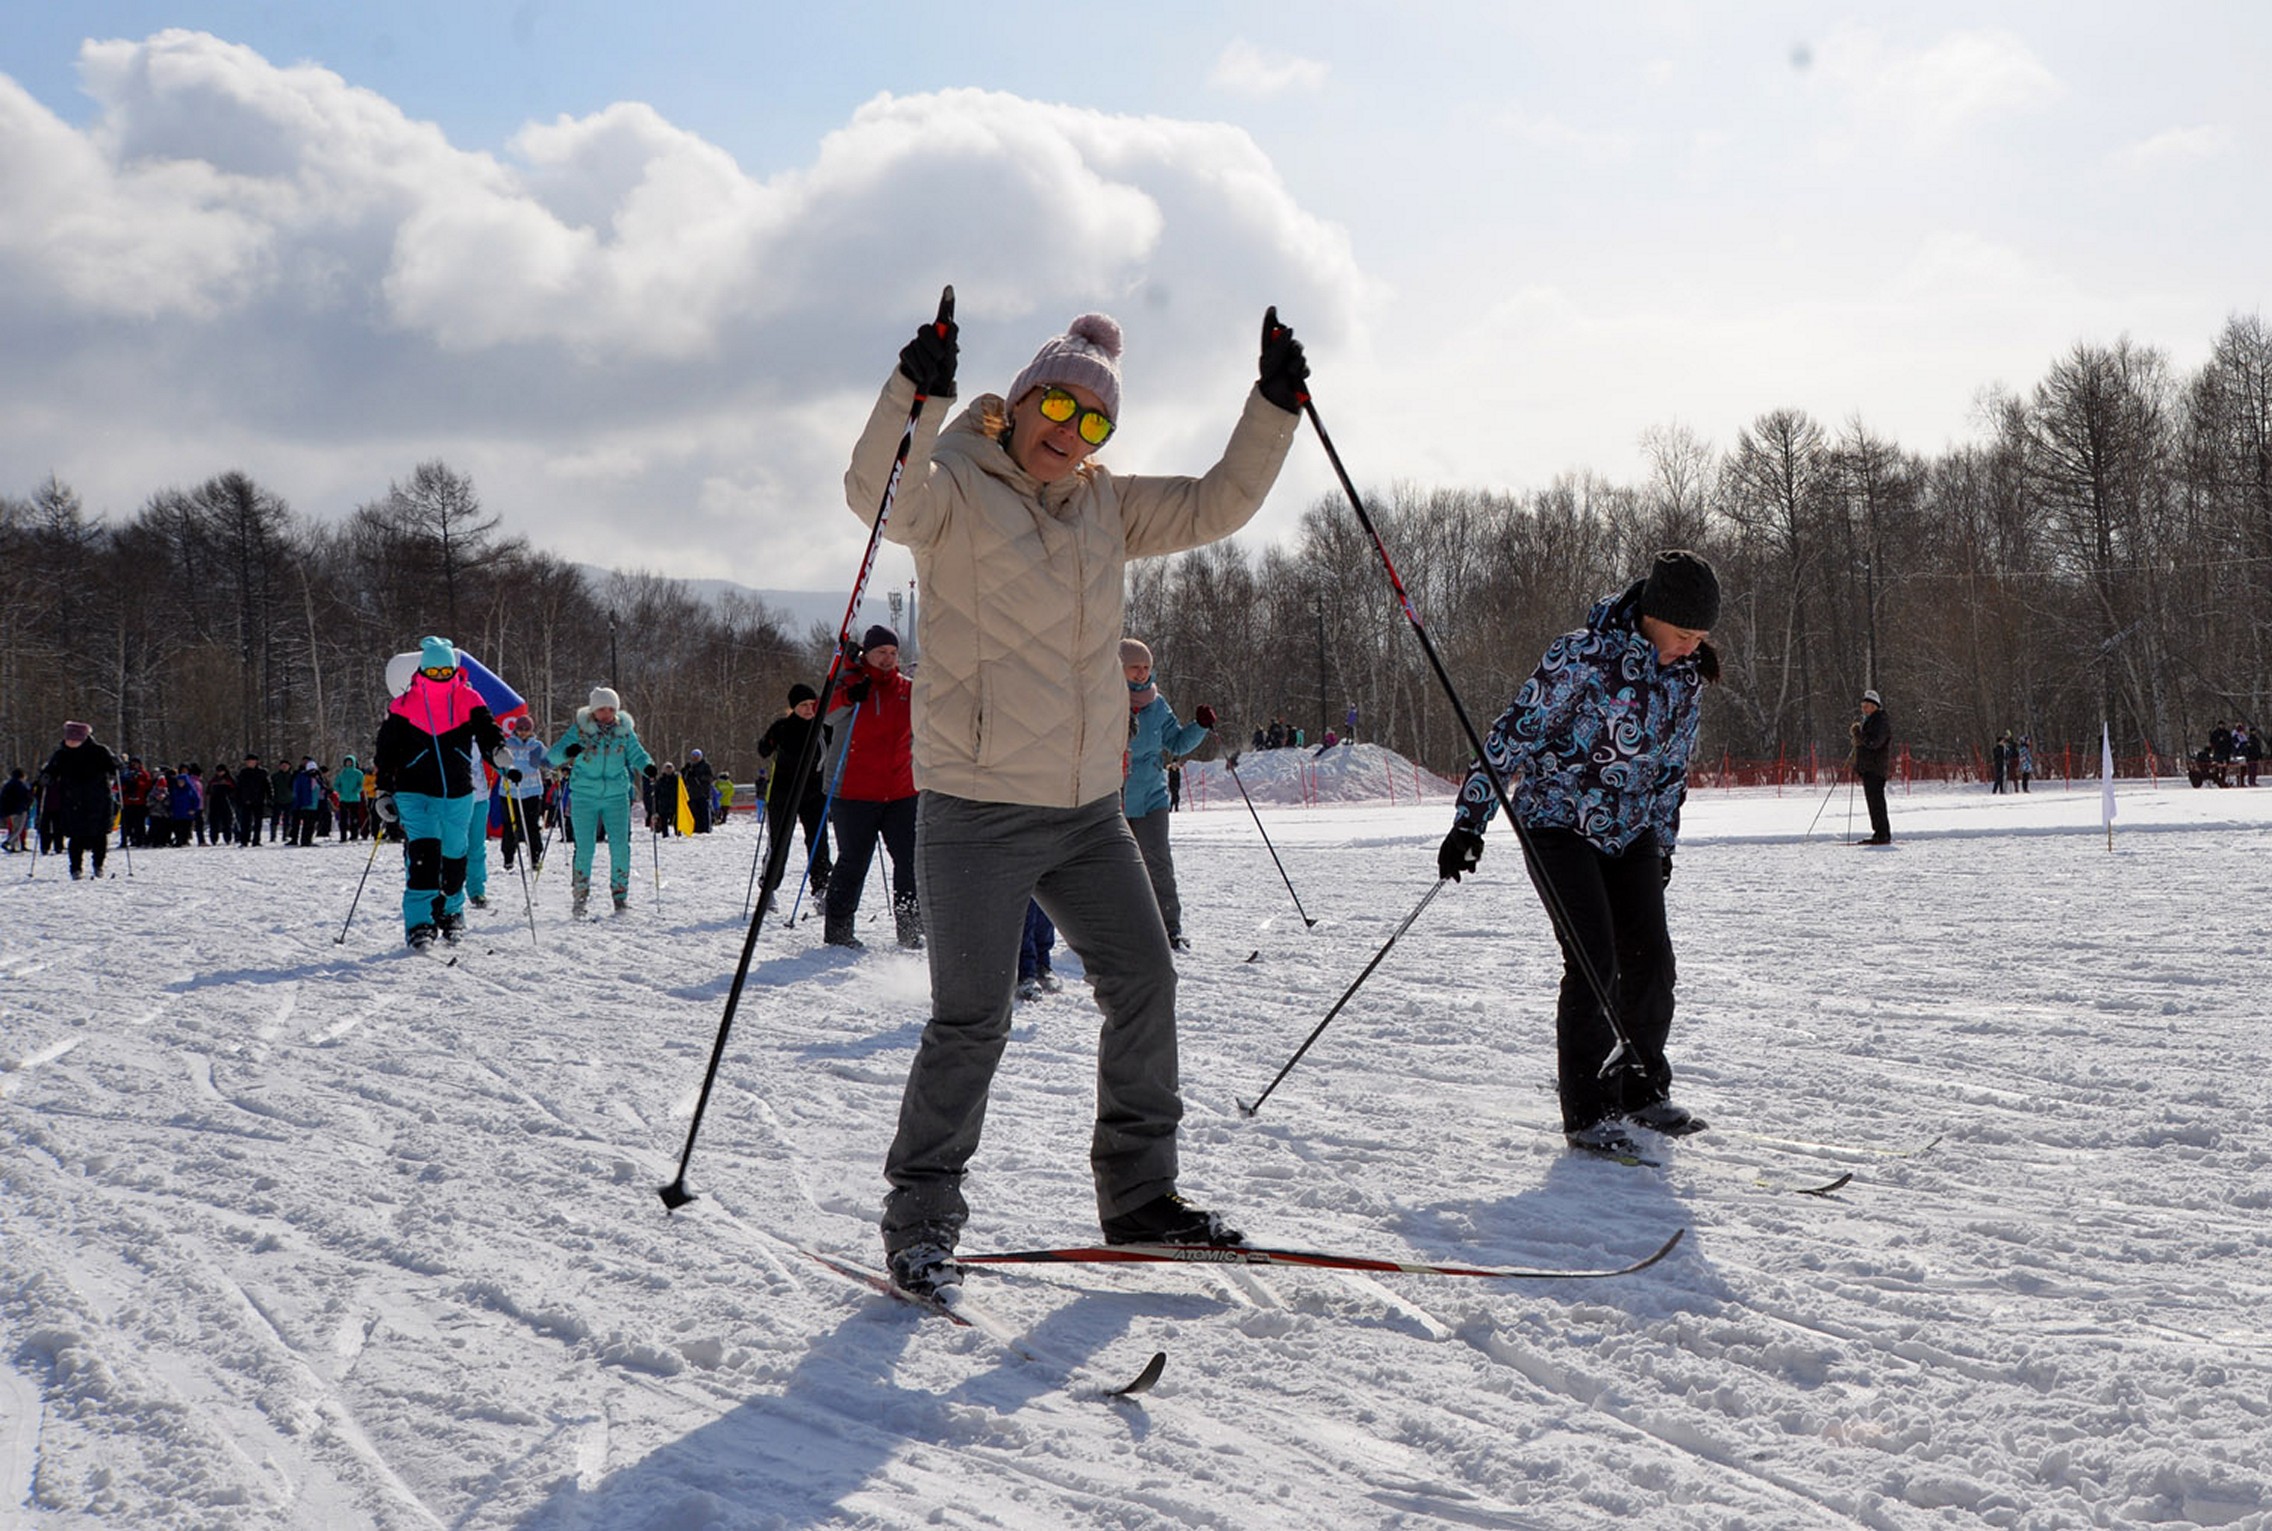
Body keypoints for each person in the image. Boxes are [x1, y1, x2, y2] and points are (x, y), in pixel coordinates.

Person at [846, 298, 1308, 1295]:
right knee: (972, 1020)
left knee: (1144, 981)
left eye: (1094, 421)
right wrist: (910, 392)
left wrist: (1272, 406)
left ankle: (1140, 1195)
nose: (1070, 432)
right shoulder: (953, 487)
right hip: (975, 810)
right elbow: (873, 495)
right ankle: (920, 1220)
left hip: (1089, 812)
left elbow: (1217, 501)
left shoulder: (1104, 503)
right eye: (1057, 405)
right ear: (1018, 401)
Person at [1436, 550, 1722, 1159]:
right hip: (1559, 822)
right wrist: (1470, 820)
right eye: (1682, 635)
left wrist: (1663, 846)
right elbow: (1512, 735)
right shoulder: (1582, 656)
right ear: (1652, 616)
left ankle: (1639, 1090)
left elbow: (1673, 772)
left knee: (1653, 963)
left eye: (1700, 638)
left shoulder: (1687, 679)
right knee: (1595, 960)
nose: (1689, 648)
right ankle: (1588, 1111)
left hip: (1634, 830)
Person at [373, 637, 506, 949]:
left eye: (445, 670)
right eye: (433, 671)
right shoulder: (404, 705)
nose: (439, 677)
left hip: (458, 793)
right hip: (414, 791)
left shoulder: (468, 698)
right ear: (422, 671)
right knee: (424, 855)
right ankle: (420, 922)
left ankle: (451, 913)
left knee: (455, 855)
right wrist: (383, 790)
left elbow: (487, 729)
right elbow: (386, 752)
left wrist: (496, 750)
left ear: (454, 669)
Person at [821, 624, 921, 950]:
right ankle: (839, 929)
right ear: (867, 653)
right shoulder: (850, 682)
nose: (888, 659)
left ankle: (910, 927)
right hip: (854, 792)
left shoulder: (907, 689)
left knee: (909, 860)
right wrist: (850, 695)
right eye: (881, 653)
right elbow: (827, 715)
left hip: (901, 792)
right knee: (853, 860)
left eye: (893, 654)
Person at [1119, 637, 1213, 951]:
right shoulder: (1104, 700)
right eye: (1135, 667)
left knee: (1158, 863)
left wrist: (1199, 726)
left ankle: (1169, 928)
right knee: (1117, 868)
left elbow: (1176, 743)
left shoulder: (1157, 704)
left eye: (1146, 667)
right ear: (1119, 668)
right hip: (1113, 797)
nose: (1142, 673)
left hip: (1151, 797)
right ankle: (1116, 932)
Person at [549, 686, 654, 916]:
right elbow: (553, 756)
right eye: (601, 709)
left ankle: (620, 895)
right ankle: (580, 895)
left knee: (620, 846)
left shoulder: (624, 731)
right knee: (584, 848)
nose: (606, 713)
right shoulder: (580, 730)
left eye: (611, 708)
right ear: (593, 710)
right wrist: (569, 750)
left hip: (616, 795)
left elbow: (637, 754)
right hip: (584, 795)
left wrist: (648, 767)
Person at [755, 684, 833, 912]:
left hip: (814, 794)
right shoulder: (782, 727)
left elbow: (839, 749)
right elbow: (763, 750)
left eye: (812, 704)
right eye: (803, 706)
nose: (809, 709)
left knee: (818, 842)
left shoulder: (824, 727)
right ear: (794, 707)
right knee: (779, 842)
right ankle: (768, 889)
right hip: (783, 794)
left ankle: (821, 889)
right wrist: (768, 743)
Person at [40, 721, 121, 880]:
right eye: (68, 738)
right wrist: (46, 777)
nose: (70, 742)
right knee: (75, 836)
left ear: (83, 738)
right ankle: (75, 868)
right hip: (72, 801)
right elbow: (51, 770)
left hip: (98, 800)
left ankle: (98, 865)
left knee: (99, 835)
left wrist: (117, 764)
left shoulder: (100, 751)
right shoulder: (62, 754)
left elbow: (114, 768)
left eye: (74, 739)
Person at [496, 716, 547, 870]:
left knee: (532, 826)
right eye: (520, 729)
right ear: (515, 729)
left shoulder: (536, 746)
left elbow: (547, 761)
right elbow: (499, 763)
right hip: (510, 792)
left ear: (531, 730)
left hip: (531, 791)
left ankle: (535, 857)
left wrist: (558, 768)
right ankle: (508, 857)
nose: (523, 733)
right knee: (511, 825)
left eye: (527, 729)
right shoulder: (508, 744)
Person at [1851, 689, 1893, 845]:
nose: (1864, 708)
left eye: (1867, 705)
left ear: (1875, 706)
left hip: (1876, 769)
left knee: (1877, 803)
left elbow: (1874, 743)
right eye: (1863, 705)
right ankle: (1879, 833)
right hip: (1869, 769)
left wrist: (1860, 737)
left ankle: (1882, 834)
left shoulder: (1880, 721)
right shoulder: (1871, 721)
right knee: (1873, 803)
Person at [235, 754, 270, 846]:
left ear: (256, 762)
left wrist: (270, 798)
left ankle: (256, 840)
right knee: (245, 821)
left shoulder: (262, 773)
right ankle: (244, 840)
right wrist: (238, 799)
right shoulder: (243, 773)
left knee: (258, 822)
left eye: (251, 761)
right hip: (245, 801)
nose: (249, 763)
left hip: (259, 800)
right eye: (247, 762)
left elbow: (268, 786)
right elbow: (238, 787)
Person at [682, 749, 715, 834]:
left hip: (703, 793)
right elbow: (684, 779)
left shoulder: (705, 766)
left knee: (704, 813)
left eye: (697, 756)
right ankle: (695, 828)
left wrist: (700, 777)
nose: (695, 758)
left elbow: (710, 778)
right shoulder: (689, 767)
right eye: (694, 756)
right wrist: (685, 771)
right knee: (694, 812)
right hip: (692, 794)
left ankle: (705, 829)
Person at [334, 755, 367, 841]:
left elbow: (361, 784)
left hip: (354, 798)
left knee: (354, 818)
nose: (348, 763)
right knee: (343, 819)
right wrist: (340, 791)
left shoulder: (358, 773)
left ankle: (354, 835)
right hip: (343, 798)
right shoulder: (342, 774)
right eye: (347, 762)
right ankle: (343, 836)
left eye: (350, 762)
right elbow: (336, 784)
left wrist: (356, 790)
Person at [1, 767, 31, 852]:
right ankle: (8, 842)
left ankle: (13, 846)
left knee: (14, 828)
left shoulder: (7, 784)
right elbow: (26, 796)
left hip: (8, 811)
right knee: (19, 828)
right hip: (19, 810)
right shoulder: (22, 785)